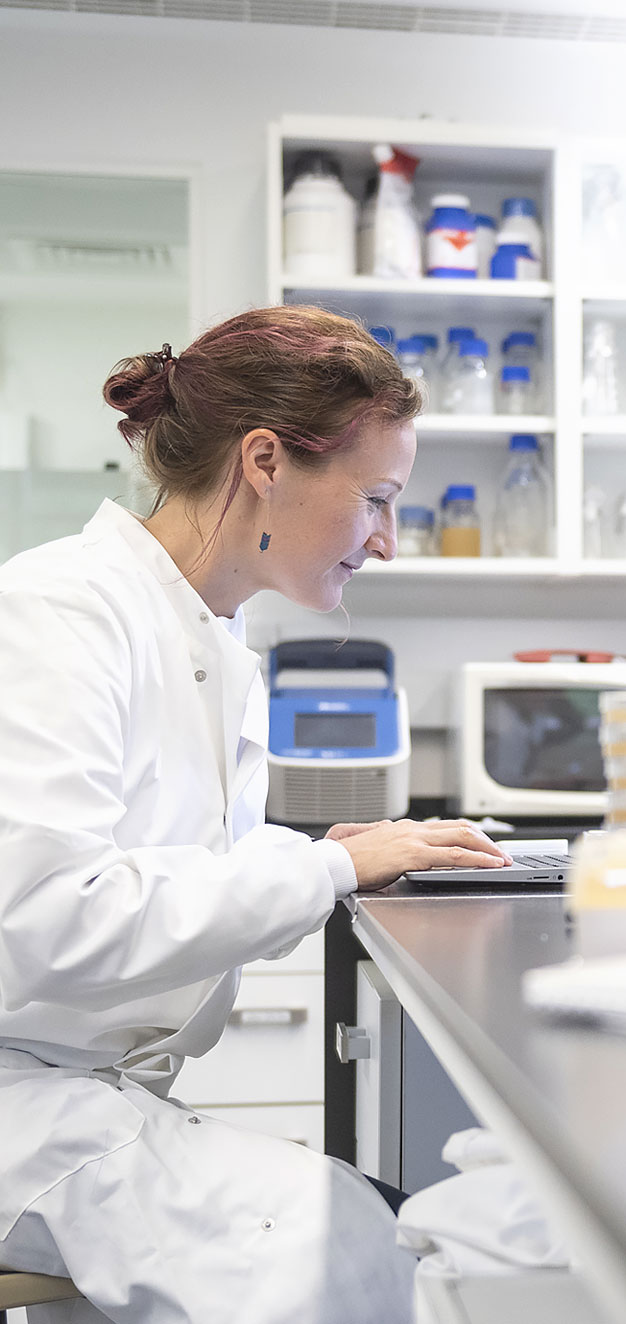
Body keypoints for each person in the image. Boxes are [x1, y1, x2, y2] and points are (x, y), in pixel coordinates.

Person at [0, 305, 511, 1323]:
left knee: (362, 1223)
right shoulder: (63, 608)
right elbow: (48, 912)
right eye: (375, 498)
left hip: (74, 1092)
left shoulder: (202, 630)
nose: (388, 542)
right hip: (23, 1104)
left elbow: (161, 861)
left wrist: (321, 851)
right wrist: (322, 871)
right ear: (266, 460)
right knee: (338, 1238)